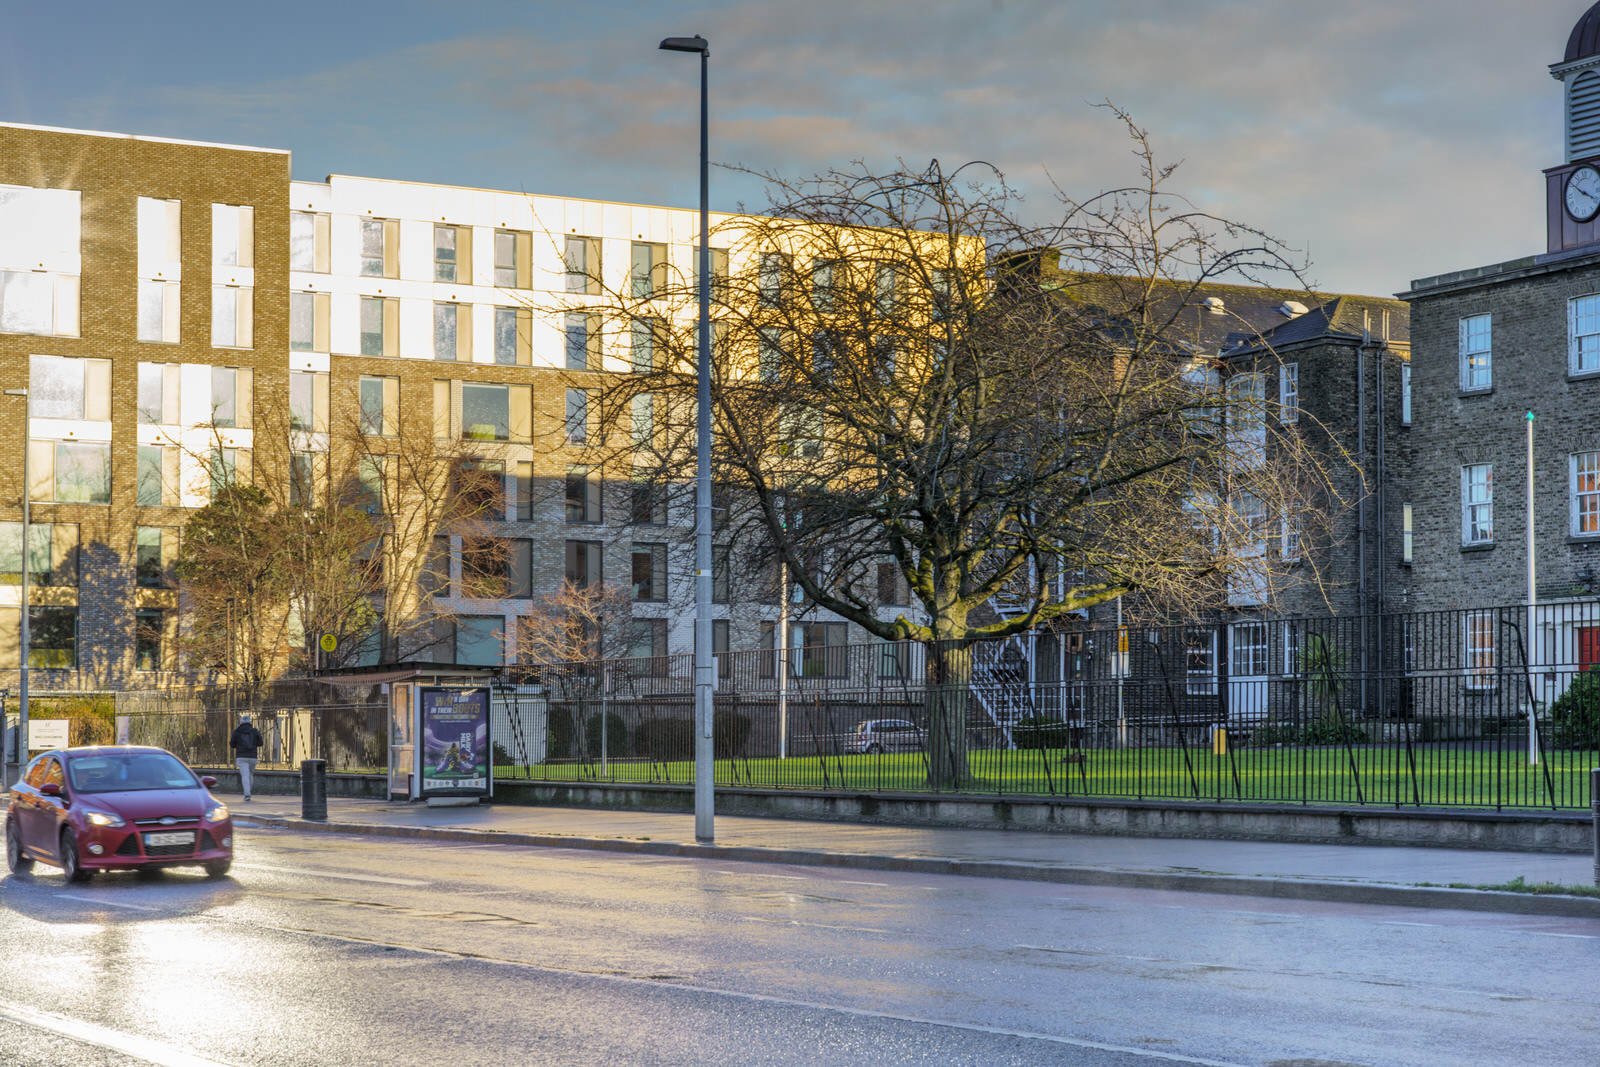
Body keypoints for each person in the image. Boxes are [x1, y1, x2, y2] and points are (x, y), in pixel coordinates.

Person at [230, 713, 263, 801]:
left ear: (240, 722)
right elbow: (260, 743)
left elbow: (232, 744)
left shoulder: (237, 731)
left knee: (245, 775)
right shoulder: (254, 731)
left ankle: (247, 794)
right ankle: (248, 792)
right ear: (250, 722)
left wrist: (238, 745)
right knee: (250, 774)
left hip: (241, 756)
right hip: (253, 756)